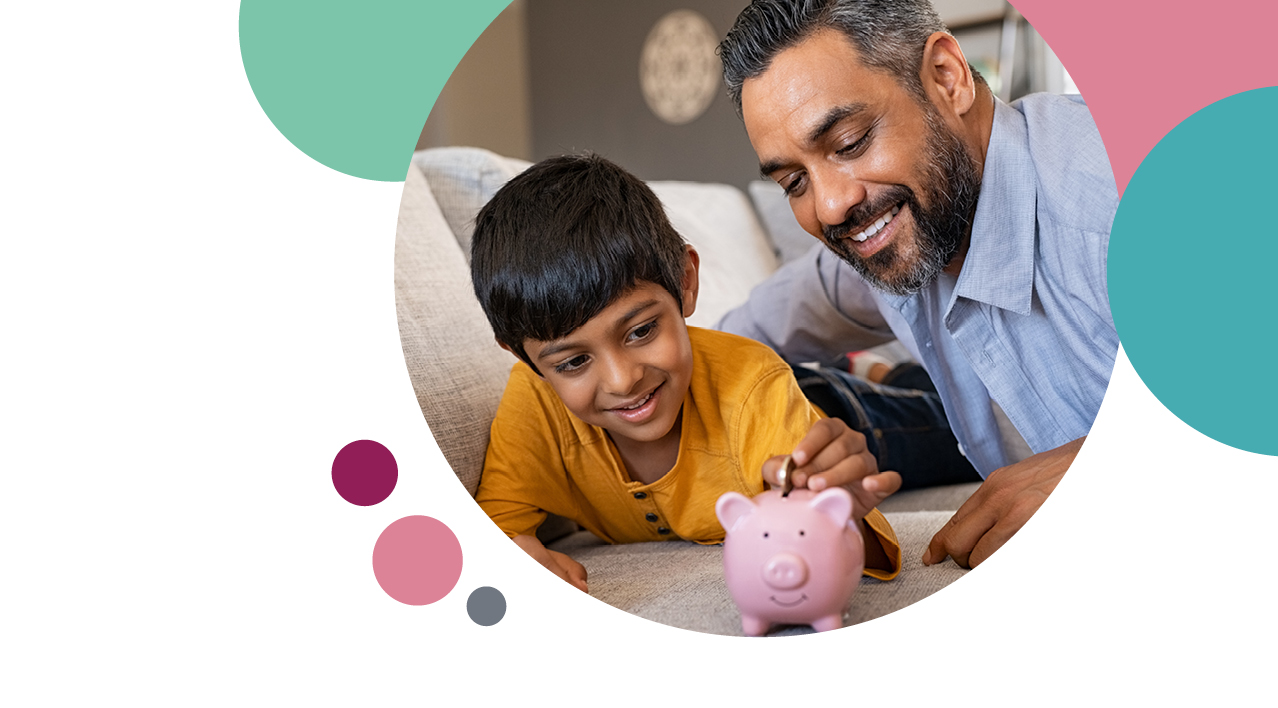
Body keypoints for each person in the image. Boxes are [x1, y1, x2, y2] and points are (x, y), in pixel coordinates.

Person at [716, 0, 1119, 568]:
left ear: (947, 79)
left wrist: (1102, 471)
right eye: (793, 181)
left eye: (851, 142)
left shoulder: (1119, 196)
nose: (831, 206)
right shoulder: (886, 240)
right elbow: (720, 347)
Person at [469, 153, 903, 592]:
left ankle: (885, 376)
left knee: (931, 421)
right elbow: (492, 530)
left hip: (835, 411)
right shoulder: (534, 404)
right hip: (762, 387)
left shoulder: (754, 387)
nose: (622, 380)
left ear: (685, 280)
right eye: (573, 362)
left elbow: (845, 531)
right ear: (524, 358)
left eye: (640, 331)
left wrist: (841, 517)